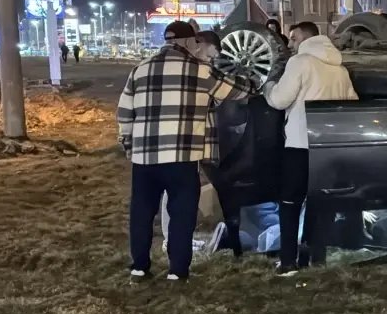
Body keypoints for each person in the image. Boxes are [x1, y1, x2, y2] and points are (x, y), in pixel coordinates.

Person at [117, 21, 251, 282]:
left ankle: (139, 267)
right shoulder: (199, 70)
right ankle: (177, 271)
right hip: (182, 157)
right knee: (181, 214)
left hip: (145, 158)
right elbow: (237, 90)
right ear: (190, 42)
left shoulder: (139, 69)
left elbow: (124, 112)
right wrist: (250, 78)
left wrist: (130, 145)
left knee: (142, 213)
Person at [262, 21, 358, 276]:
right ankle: (317, 257)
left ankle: (288, 261)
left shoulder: (301, 62)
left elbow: (280, 100)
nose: (290, 45)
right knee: (321, 204)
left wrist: (268, 87)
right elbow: (352, 105)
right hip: (328, 147)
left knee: (290, 202)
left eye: (293, 39)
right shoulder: (340, 69)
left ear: (304, 37)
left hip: (299, 144)